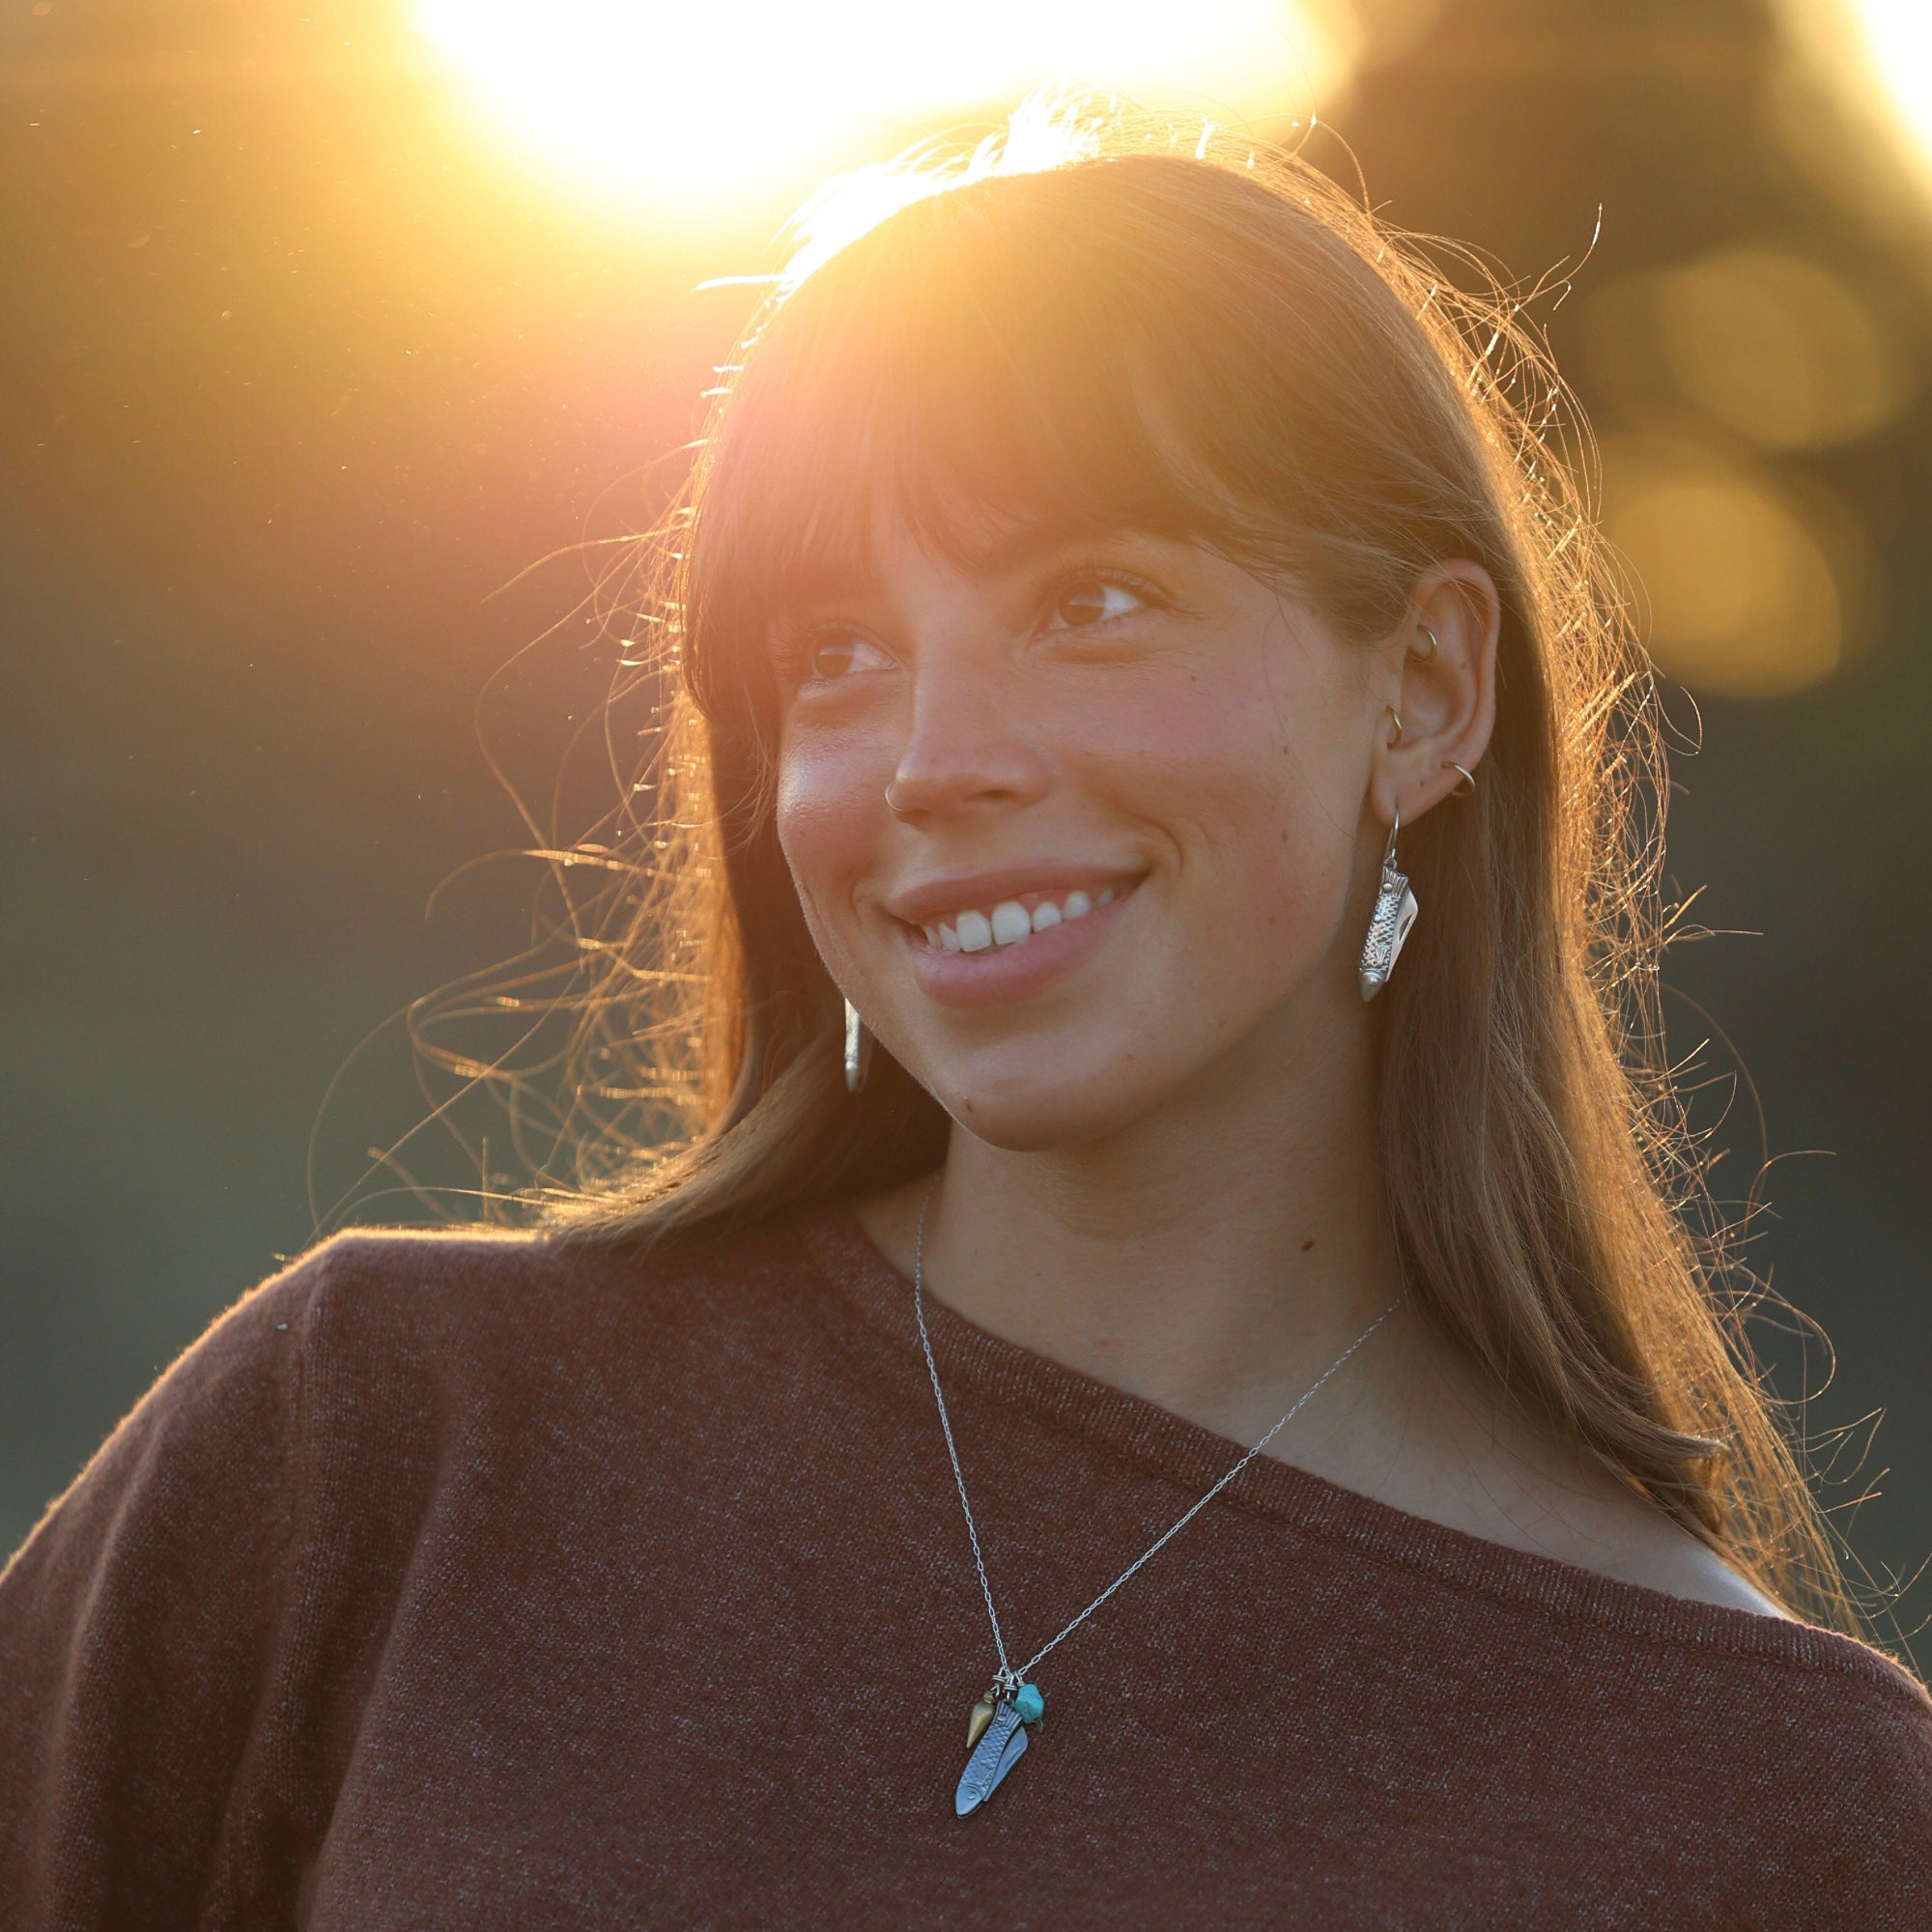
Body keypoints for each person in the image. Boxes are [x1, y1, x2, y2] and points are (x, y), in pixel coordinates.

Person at [3, 102, 1928, 1927]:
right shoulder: (385, 1441)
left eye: (1092, 602)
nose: (933, 762)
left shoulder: (1778, 1806)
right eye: (838, 653)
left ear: (1421, 689)